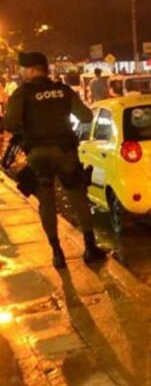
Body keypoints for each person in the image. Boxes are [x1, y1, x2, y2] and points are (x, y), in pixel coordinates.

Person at [4, 52, 107, 268]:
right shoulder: (63, 91)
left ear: (32, 70)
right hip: (65, 153)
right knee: (77, 197)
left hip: (38, 156)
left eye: (24, 69)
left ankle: (57, 253)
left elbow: (11, 124)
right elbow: (86, 117)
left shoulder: (22, 94)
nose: (22, 73)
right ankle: (90, 248)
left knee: (47, 203)